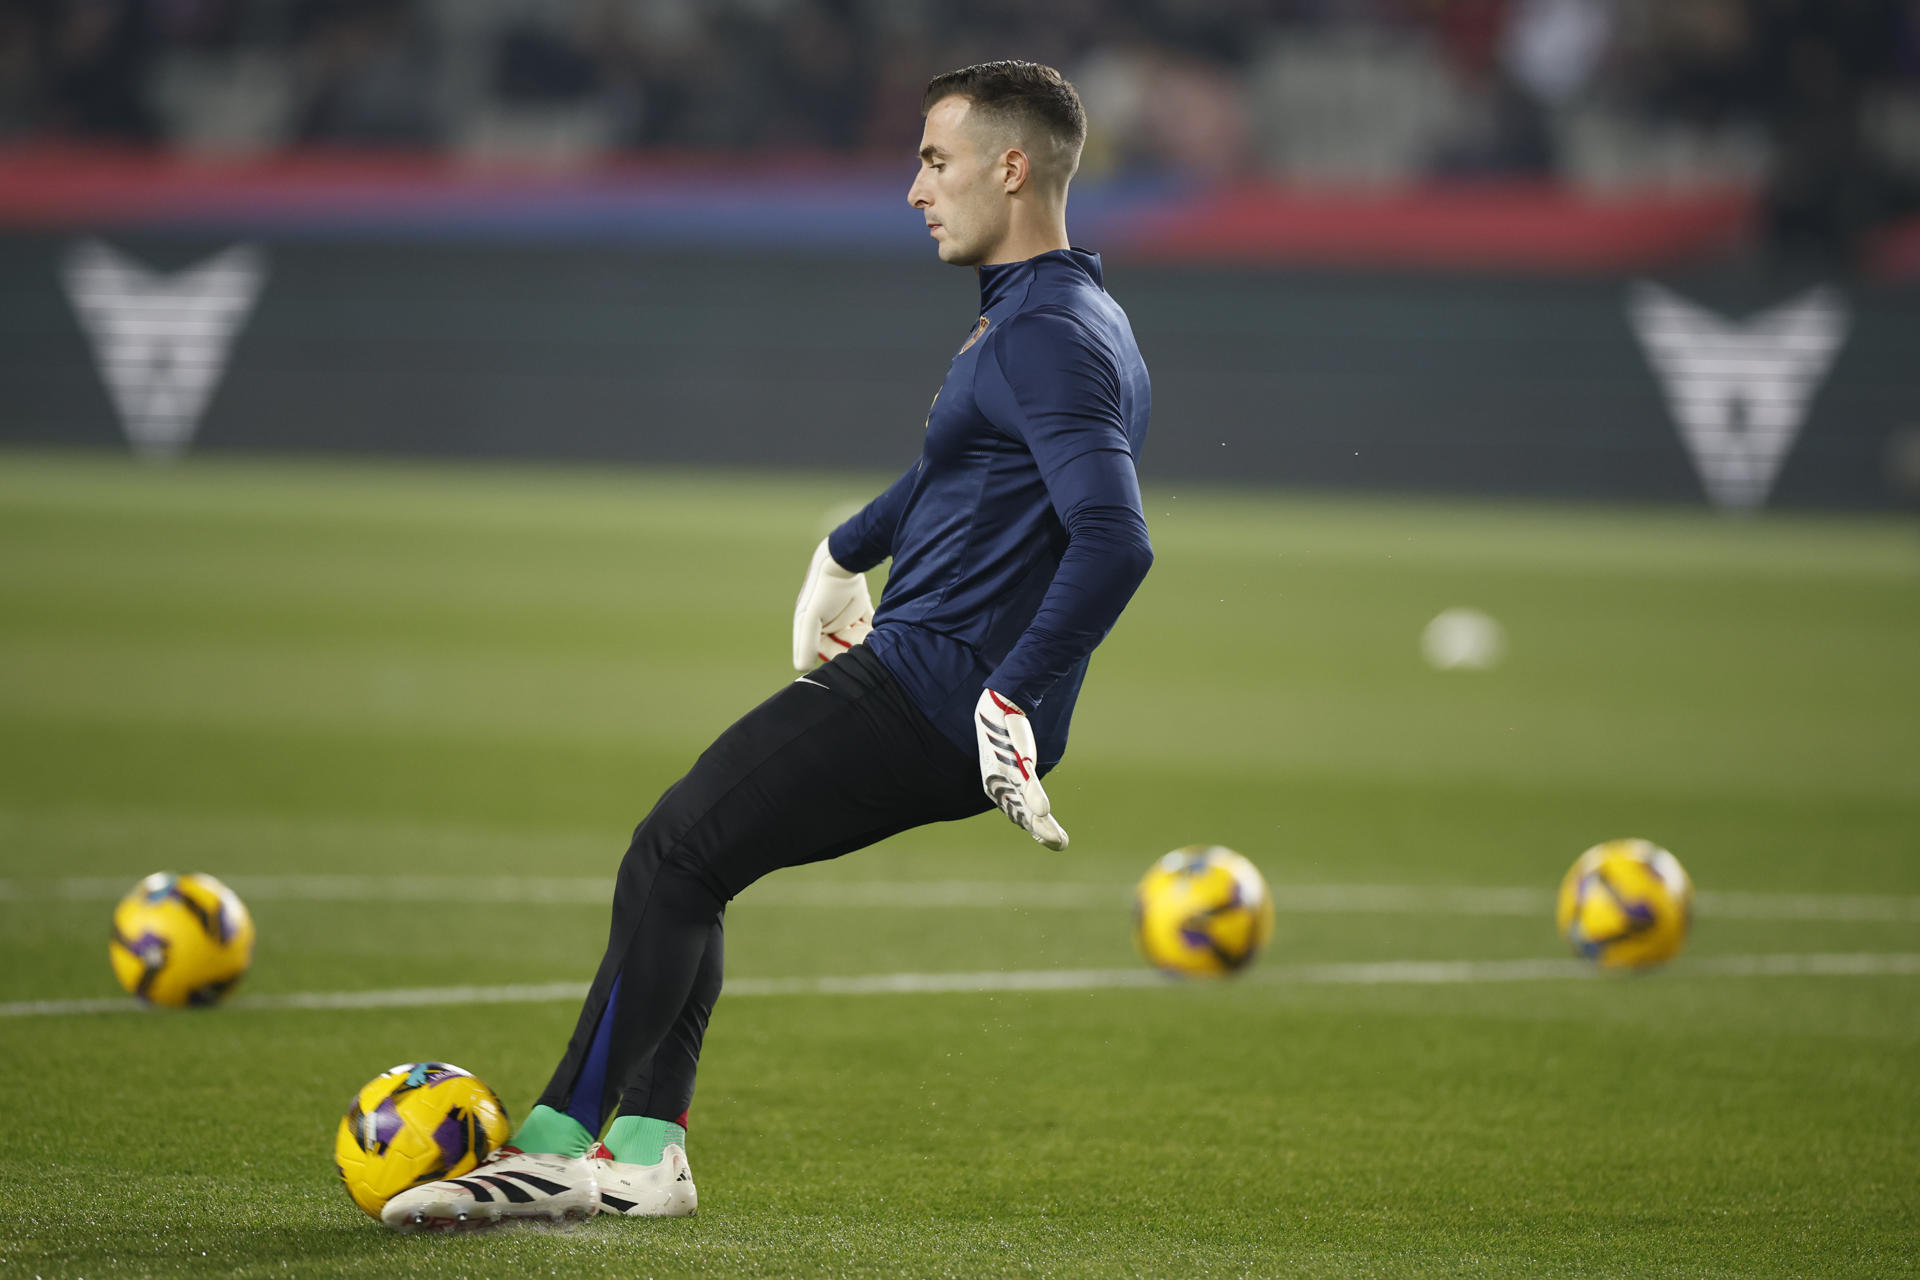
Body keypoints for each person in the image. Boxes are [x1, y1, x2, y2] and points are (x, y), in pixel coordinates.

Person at [382, 58, 1154, 1231]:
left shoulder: (1048, 332)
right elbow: (956, 467)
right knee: (703, 864)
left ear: (1012, 166)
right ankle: (645, 1148)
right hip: (932, 677)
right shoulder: (1054, 314)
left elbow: (1115, 537)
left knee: (673, 850)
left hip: (938, 690)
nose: (913, 189)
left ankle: (554, 1145)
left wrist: (1010, 694)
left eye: (934, 160)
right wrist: (845, 551)